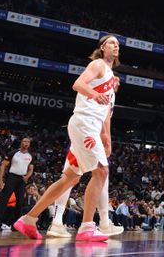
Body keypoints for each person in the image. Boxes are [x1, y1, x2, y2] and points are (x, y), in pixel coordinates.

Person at [14, 35, 121, 242]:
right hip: (84, 123)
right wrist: (93, 93)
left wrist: (106, 135)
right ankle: (87, 227)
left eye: (117, 44)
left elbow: (106, 112)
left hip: (91, 126)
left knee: (70, 178)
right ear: (102, 47)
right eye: (111, 42)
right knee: (101, 171)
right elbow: (78, 84)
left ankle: (28, 219)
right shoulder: (97, 64)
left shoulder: (110, 77)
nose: (116, 45)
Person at [48, 75, 123, 238]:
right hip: (90, 137)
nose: (116, 81)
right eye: (114, 78)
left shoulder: (97, 86)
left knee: (69, 178)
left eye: (117, 80)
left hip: (82, 133)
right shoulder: (104, 90)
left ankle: (56, 221)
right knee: (100, 176)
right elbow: (104, 118)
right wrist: (107, 138)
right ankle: (103, 223)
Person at [0, 137, 33, 230]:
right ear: (21, 142)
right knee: (4, 200)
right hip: (11, 177)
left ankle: (15, 225)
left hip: (21, 179)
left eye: (28, 142)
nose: (26, 143)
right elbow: (3, 165)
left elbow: (31, 169)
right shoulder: (13, 153)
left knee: (20, 202)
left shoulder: (31, 155)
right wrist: (0, 179)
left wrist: (27, 176)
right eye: (25, 141)